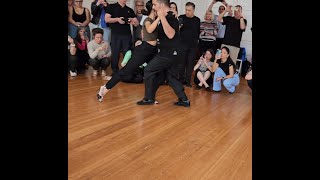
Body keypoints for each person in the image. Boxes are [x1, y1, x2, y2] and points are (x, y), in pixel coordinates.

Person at [97, 0, 159, 102]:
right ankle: (104, 88)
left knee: (154, 73)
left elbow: (138, 25)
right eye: (157, 6)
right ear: (153, 8)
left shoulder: (154, 19)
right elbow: (147, 31)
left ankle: (149, 98)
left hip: (153, 50)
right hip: (144, 50)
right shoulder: (148, 19)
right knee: (126, 71)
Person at [136, 0, 190, 107]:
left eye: (155, 5)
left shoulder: (170, 17)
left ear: (161, 5)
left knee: (148, 69)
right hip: (170, 53)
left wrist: (163, 17)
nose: (154, 7)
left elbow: (170, 34)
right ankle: (184, 100)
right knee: (170, 77)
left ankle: (149, 98)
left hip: (169, 53)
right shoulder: (165, 16)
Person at [105, 0, 140, 74]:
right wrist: (117, 19)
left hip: (127, 34)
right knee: (115, 52)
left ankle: (127, 70)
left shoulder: (129, 10)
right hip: (115, 34)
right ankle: (114, 70)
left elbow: (136, 23)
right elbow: (107, 19)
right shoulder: (111, 7)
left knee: (127, 52)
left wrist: (131, 20)